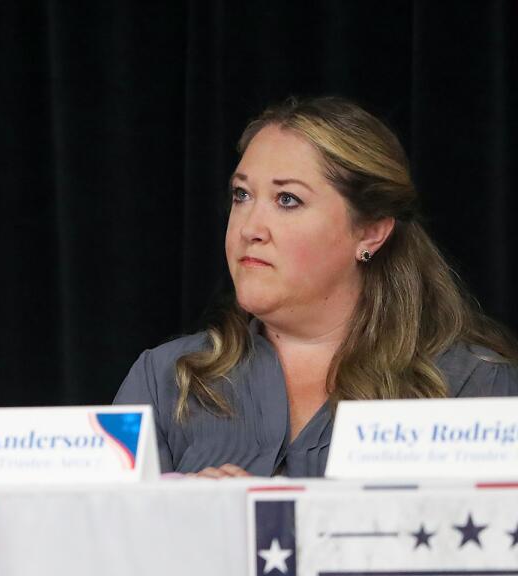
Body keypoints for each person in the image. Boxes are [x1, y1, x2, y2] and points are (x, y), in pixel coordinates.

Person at [114, 96, 518, 478]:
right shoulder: (166, 380)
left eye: (287, 199)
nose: (249, 229)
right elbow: (100, 542)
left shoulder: (472, 386)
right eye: (242, 195)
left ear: (371, 231)